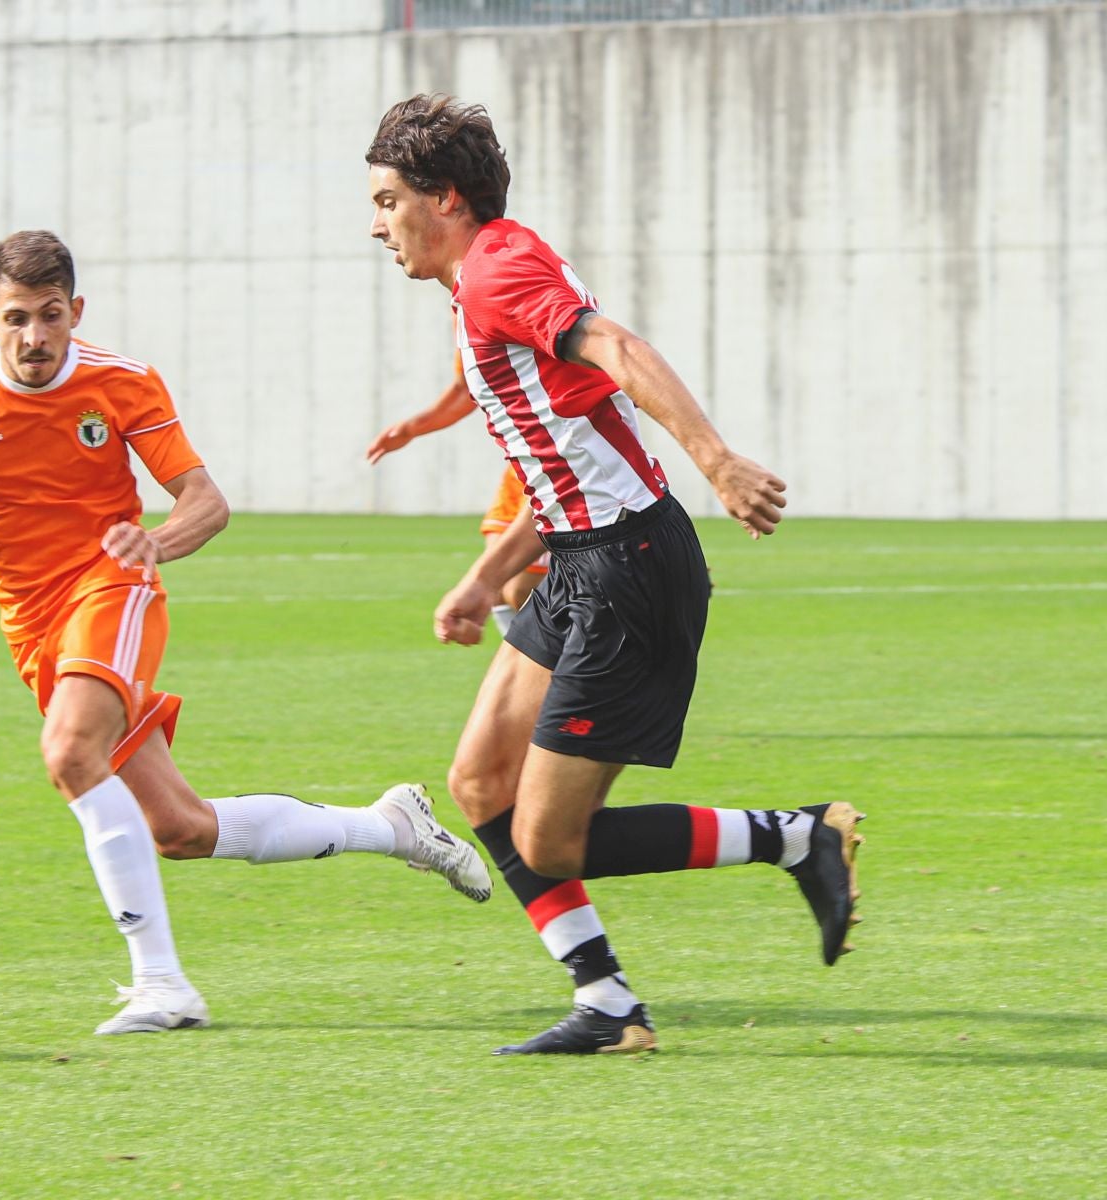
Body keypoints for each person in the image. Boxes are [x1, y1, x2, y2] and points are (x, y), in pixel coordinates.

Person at [0, 230, 491, 1037]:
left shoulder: (122, 384)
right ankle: (391, 827)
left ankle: (163, 986)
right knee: (178, 828)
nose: (33, 338)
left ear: (76, 311)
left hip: (114, 586)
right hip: (32, 622)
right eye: (15, 319)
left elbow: (204, 501)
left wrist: (157, 541)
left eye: (49, 316)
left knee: (69, 752)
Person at [364, 96, 865, 1055]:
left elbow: (621, 350)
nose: (377, 223)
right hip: (582, 560)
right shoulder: (492, 269)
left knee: (550, 838)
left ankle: (799, 838)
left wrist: (716, 460)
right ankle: (608, 1007)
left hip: (628, 572)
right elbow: (568, 468)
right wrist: (484, 578)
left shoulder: (500, 272)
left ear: (447, 199)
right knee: (478, 784)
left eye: (389, 200)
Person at [365, 367, 549, 633]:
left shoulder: (540, 327)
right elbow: (466, 387)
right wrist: (414, 427)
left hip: (560, 451)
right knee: (501, 589)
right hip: (522, 459)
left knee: (522, 590)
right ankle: (535, 666)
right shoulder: (465, 325)